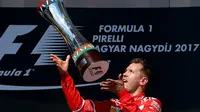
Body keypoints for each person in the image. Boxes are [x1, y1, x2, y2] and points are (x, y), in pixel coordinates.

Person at [50, 54, 162, 112]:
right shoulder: (114, 104)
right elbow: (80, 107)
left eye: (131, 71)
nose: (124, 74)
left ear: (143, 81)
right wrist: (65, 75)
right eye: (125, 71)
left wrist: (122, 92)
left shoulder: (152, 103)